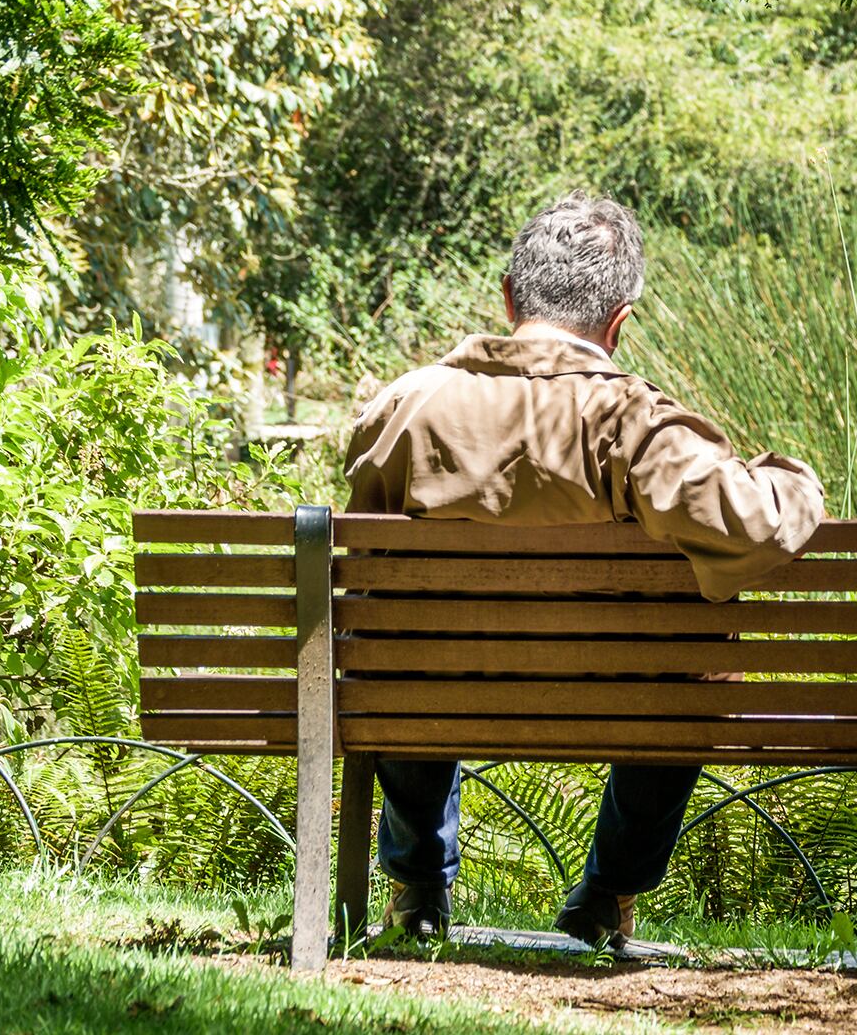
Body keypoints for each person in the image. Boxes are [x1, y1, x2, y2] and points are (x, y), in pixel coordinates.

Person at [343, 192, 826, 947]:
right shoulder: (633, 424)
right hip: (614, 702)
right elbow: (754, 525)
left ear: (509, 298)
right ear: (618, 321)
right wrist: (791, 477)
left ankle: (419, 888)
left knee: (396, 638)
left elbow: (363, 567)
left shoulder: (406, 408)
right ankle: (607, 894)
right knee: (697, 664)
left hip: (434, 689)